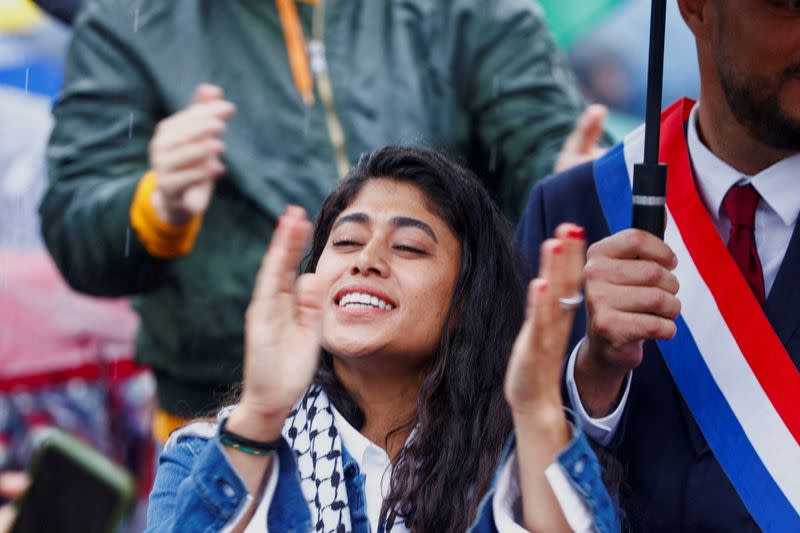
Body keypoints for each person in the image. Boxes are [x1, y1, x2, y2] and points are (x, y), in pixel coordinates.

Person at [39, 0, 609, 442]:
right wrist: (155, 205)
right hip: (226, 422)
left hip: (452, 414)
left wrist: (571, 188)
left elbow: (549, 139)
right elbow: (74, 221)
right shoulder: (128, 16)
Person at [145, 147, 618, 532]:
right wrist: (261, 415)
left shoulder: (523, 464)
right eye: (346, 242)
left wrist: (536, 413)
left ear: (466, 303)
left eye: (409, 247)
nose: (365, 260)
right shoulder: (207, 452)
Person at [515, 0, 800, 531]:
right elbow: (496, 476)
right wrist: (593, 381)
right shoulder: (570, 213)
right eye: (789, 5)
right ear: (695, 9)